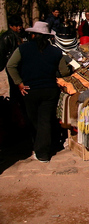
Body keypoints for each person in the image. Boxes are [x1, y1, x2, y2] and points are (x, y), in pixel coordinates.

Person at [6, 21, 70, 162]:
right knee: (45, 120)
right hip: (49, 90)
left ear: (33, 34)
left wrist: (19, 83)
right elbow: (64, 71)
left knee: (34, 119)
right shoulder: (55, 51)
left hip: (30, 90)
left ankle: (39, 148)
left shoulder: (23, 48)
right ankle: (43, 152)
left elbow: (10, 66)